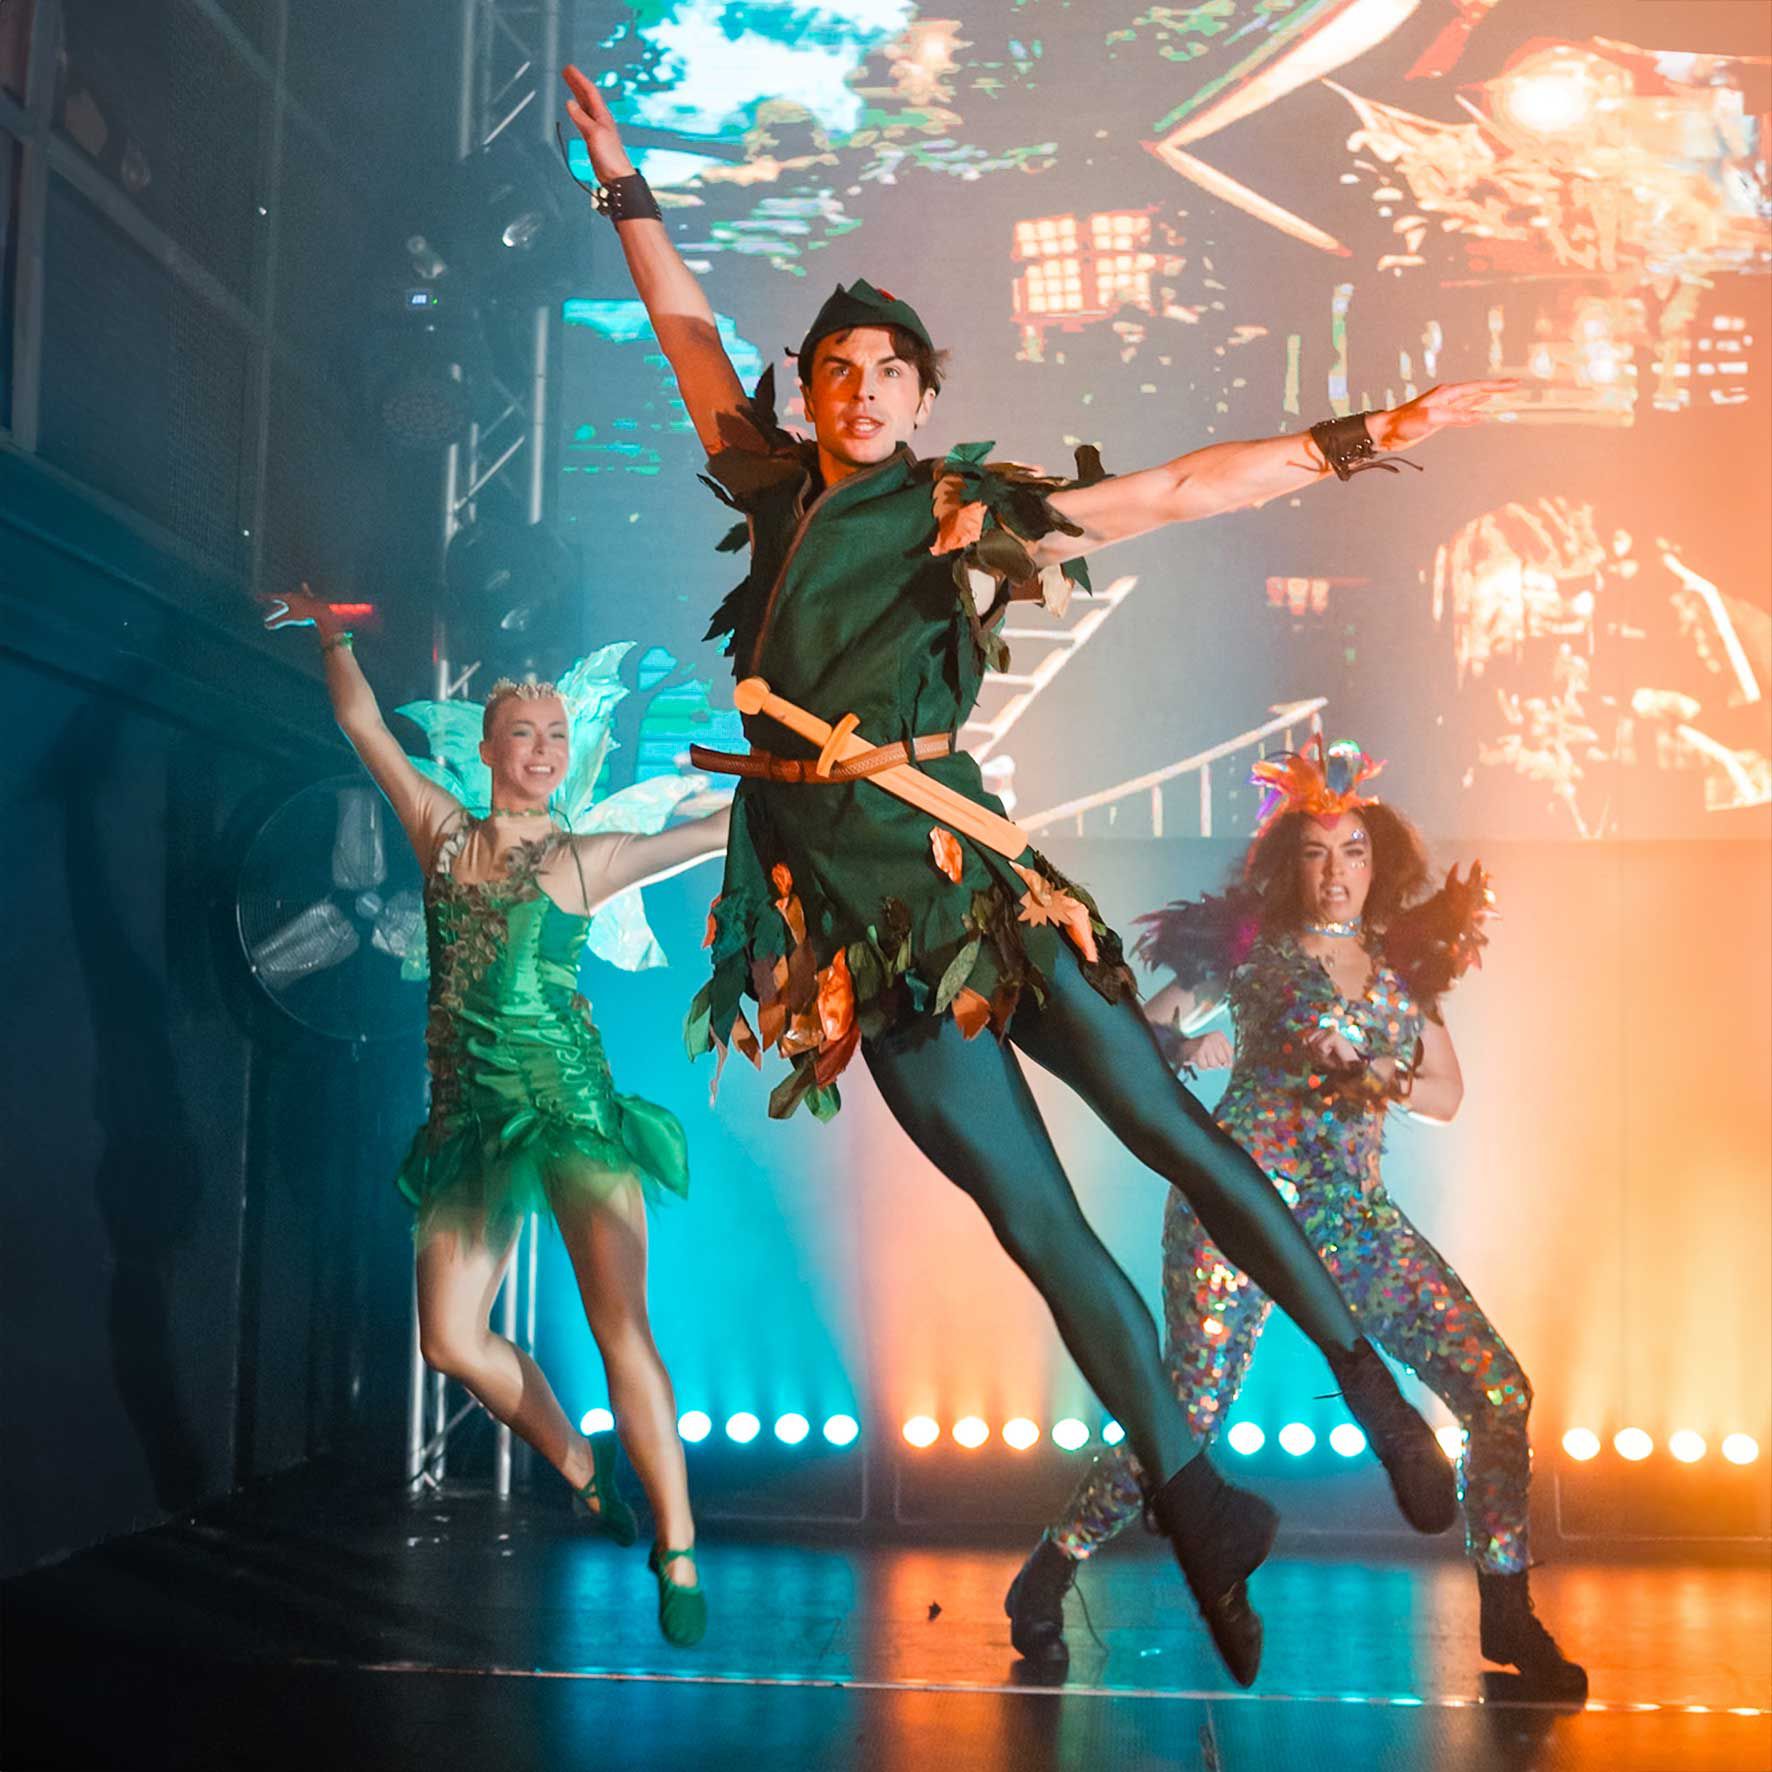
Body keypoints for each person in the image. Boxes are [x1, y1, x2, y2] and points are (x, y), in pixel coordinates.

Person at [561, 61, 1514, 1685]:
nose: (863, 391)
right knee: (1037, 1220)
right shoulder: (772, 493)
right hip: (857, 941)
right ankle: (1201, 1508)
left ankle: (1371, 1387)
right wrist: (625, 180)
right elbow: (684, 333)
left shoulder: (956, 513)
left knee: (1172, 1130)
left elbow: (1173, 490)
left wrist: (1363, 438)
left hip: (979, 895)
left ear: (925, 399)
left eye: (891, 372)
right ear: (810, 393)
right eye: (838, 370)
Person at [1009, 737, 1585, 1696]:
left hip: (1355, 1221)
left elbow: (1446, 1092)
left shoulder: (1404, 966)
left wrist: (1386, 1076)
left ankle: (1507, 1607)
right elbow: (1141, 1034)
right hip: (1240, 1210)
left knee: (1498, 1392)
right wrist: (1180, 1051)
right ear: (1291, 864)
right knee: (1188, 1411)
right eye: (1316, 853)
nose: (1336, 872)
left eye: (1353, 852)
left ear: (1379, 861)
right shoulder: (1253, 952)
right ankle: (1052, 1565)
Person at [263, 589, 729, 1649]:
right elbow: (362, 725)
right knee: (449, 1338)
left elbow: (713, 830)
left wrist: (821, 788)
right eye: (524, 732)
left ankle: (678, 1543)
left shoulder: (586, 856)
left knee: (622, 1328)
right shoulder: (439, 831)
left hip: (571, 1111)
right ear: (487, 748)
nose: (544, 748)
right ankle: (581, 1465)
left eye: (558, 734)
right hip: (468, 1119)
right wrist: (333, 633)